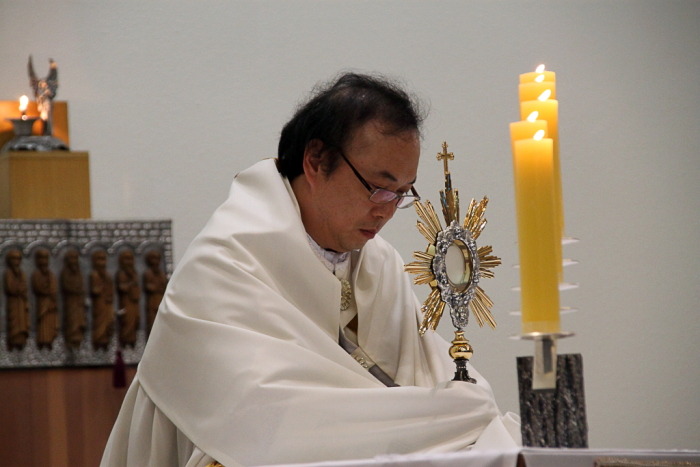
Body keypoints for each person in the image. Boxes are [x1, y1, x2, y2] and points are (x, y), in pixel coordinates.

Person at [102, 72, 520, 467]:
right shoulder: (225, 263)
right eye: (378, 187)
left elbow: (447, 386)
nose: (387, 210)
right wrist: (446, 414)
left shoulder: (379, 266)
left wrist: (463, 407)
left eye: (401, 194)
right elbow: (268, 425)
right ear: (316, 161)